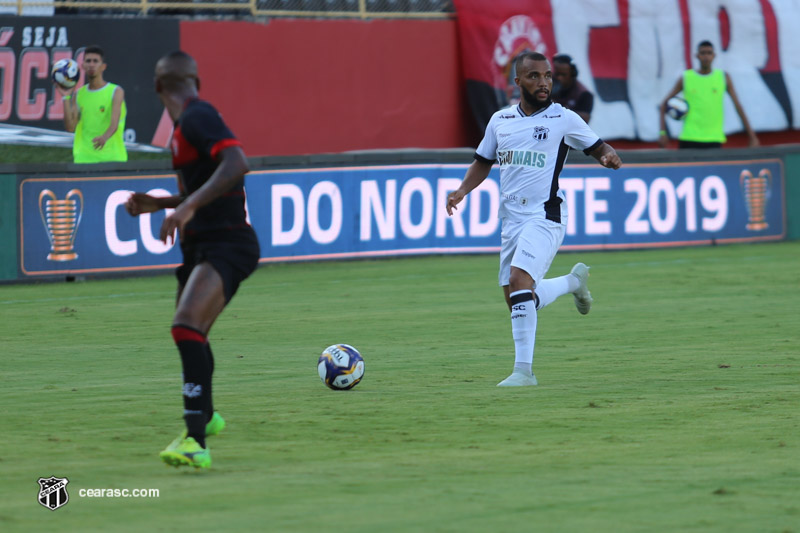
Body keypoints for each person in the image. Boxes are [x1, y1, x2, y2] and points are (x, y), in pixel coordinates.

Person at [446, 52, 622, 387]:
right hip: (511, 219)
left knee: (518, 282)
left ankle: (523, 372)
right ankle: (573, 283)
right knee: (518, 298)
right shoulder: (500, 121)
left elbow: (597, 146)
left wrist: (608, 156)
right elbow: (483, 161)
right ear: (518, 82)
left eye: (547, 76)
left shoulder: (563, 118)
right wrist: (462, 190)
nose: (543, 83)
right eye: (534, 76)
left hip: (545, 214)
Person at [125, 50, 260, 469]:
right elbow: (207, 185)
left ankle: (195, 439)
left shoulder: (197, 118)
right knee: (194, 331)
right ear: (196, 79)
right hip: (203, 243)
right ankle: (209, 415)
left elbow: (238, 164)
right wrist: (162, 203)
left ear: (156, 86)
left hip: (227, 243)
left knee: (185, 327)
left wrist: (183, 210)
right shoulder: (187, 124)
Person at [659, 40, 758, 149]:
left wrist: (752, 136)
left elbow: (738, 106)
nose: (706, 57)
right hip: (689, 138)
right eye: (703, 53)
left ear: (714, 55)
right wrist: (663, 133)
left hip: (713, 139)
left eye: (709, 53)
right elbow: (664, 104)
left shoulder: (723, 77)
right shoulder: (687, 77)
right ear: (697, 56)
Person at [57, 45, 128, 163]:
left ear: (103, 66)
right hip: (84, 159)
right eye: (88, 61)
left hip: (112, 159)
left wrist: (104, 138)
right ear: (83, 66)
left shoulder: (116, 91)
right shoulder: (79, 94)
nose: (91, 64)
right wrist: (66, 97)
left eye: (95, 61)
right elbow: (70, 128)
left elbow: (114, 124)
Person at [551, 53, 594, 123]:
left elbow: (585, 119)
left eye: (563, 75)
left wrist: (559, 109)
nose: (559, 78)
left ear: (573, 74)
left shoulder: (584, 94)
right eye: (557, 74)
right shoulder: (547, 86)